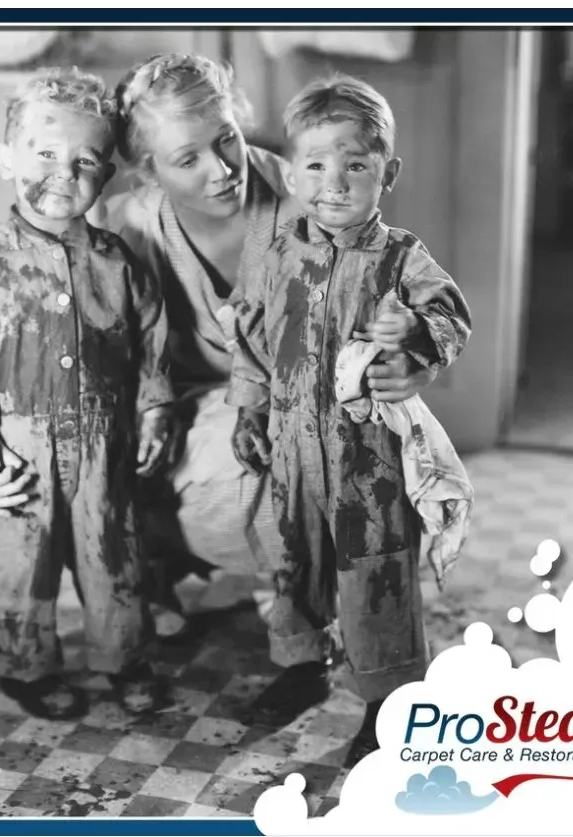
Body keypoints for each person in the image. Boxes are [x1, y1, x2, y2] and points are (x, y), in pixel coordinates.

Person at [84, 53, 441, 639]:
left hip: (309, 402)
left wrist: (415, 360)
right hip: (193, 409)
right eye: (187, 159)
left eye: (227, 139)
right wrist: (152, 408)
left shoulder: (306, 194)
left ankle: (324, 617)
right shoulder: (131, 227)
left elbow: (388, 299)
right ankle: (173, 566)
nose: (223, 170)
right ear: (148, 170)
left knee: (341, 486)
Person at [226, 75, 472, 766]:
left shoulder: (401, 257)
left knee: (376, 574)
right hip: (289, 446)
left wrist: (415, 334)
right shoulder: (274, 253)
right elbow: (245, 337)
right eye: (314, 164)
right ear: (291, 170)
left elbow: (449, 317)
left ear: (385, 172)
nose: (332, 183)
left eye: (354, 165)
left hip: (368, 458)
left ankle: (388, 699)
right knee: (291, 558)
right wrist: (247, 406)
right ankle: (302, 660)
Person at [0, 67, 174, 721]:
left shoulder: (119, 263)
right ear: (6, 158)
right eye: (44, 153)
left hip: (105, 442)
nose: (62, 173)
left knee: (112, 556)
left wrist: (155, 407)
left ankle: (124, 657)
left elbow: (151, 341)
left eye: (85, 160)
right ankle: (24, 665)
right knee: (23, 563)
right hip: (20, 442)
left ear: (108, 175)